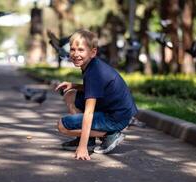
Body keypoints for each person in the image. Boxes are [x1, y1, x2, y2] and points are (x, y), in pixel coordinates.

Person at [55, 29, 138, 160]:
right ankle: (89, 140)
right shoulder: (92, 65)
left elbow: (89, 113)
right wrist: (73, 85)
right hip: (114, 110)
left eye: (81, 50)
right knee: (70, 95)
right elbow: (95, 89)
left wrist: (81, 148)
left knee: (62, 125)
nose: (75, 54)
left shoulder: (94, 73)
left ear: (93, 52)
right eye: (72, 49)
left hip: (115, 118)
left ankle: (108, 135)